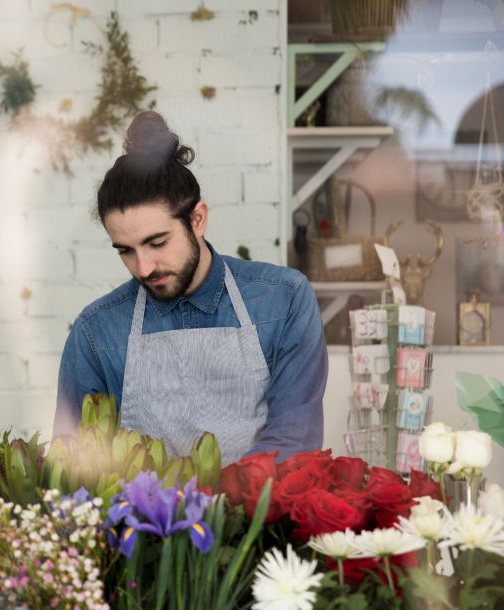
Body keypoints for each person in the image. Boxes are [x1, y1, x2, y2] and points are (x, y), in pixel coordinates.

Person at [53, 111, 327, 465]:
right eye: (126, 251)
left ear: (197, 219)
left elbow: (293, 440)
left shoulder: (284, 301)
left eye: (157, 242)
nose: (144, 267)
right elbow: (74, 462)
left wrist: (212, 511)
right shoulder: (96, 332)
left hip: (259, 518)